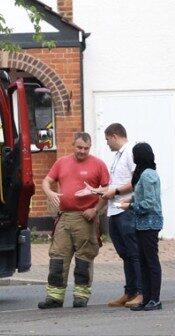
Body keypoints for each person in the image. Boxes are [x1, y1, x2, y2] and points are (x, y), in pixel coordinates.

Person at [38, 133, 110, 309]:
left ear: (90, 147)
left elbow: (107, 190)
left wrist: (95, 210)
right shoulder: (62, 162)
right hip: (64, 217)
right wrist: (50, 193)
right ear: (73, 145)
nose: (82, 151)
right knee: (57, 257)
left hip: (85, 218)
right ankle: (54, 297)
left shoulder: (98, 164)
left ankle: (81, 296)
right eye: (79, 147)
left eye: (86, 148)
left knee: (84, 259)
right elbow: (46, 181)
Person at [94, 124, 142, 307]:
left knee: (133, 252)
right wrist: (98, 190)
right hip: (114, 210)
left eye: (107, 139)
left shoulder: (130, 152)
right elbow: (116, 183)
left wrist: (115, 192)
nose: (106, 143)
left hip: (126, 209)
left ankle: (140, 292)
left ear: (114, 136)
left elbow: (136, 180)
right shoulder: (117, 156)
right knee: (124, 254)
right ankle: (129, 292)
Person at [115, 143, 163, 312]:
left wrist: (130, 207)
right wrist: (131, 200)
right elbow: (142, 194)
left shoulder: (148, 174)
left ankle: (155, 299)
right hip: (141, 224)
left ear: (140, 156)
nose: (133, 158)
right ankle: (146, 299)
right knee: (143, 262)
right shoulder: (143, 173)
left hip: (150, 224)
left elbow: (150, 202)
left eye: (135, 155)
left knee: (151, 262)